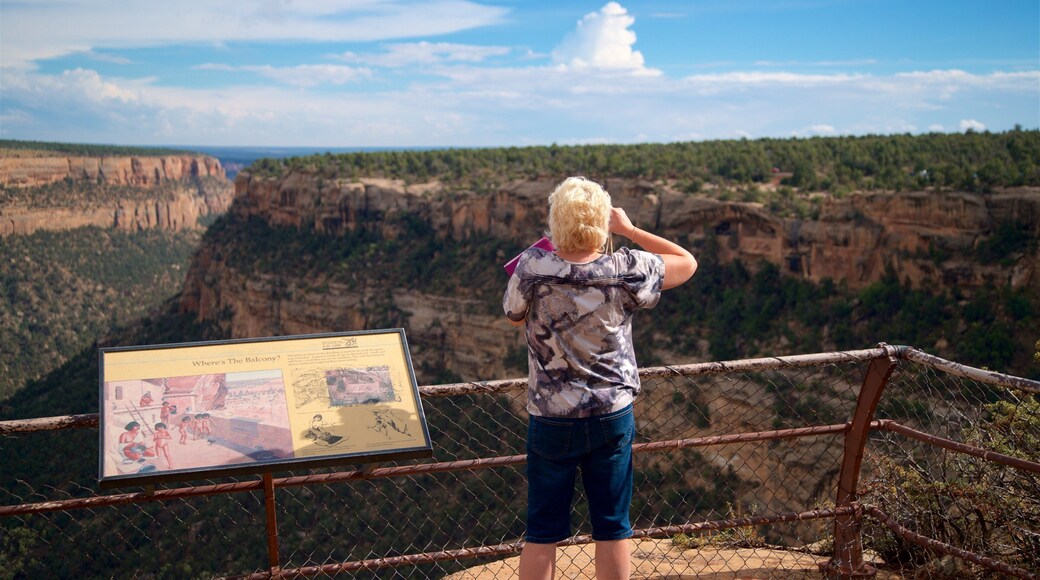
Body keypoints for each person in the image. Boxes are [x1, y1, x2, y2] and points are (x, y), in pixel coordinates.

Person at [503, 177, 697, 580]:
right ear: (600, 221)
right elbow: (687, 262)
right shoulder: (626, 268)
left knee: (541, 532)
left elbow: (513, 312)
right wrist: (628, 230)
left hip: (552, 416)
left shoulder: (533, 267)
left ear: (557, 220)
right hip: (610, 414)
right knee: (612, 526)